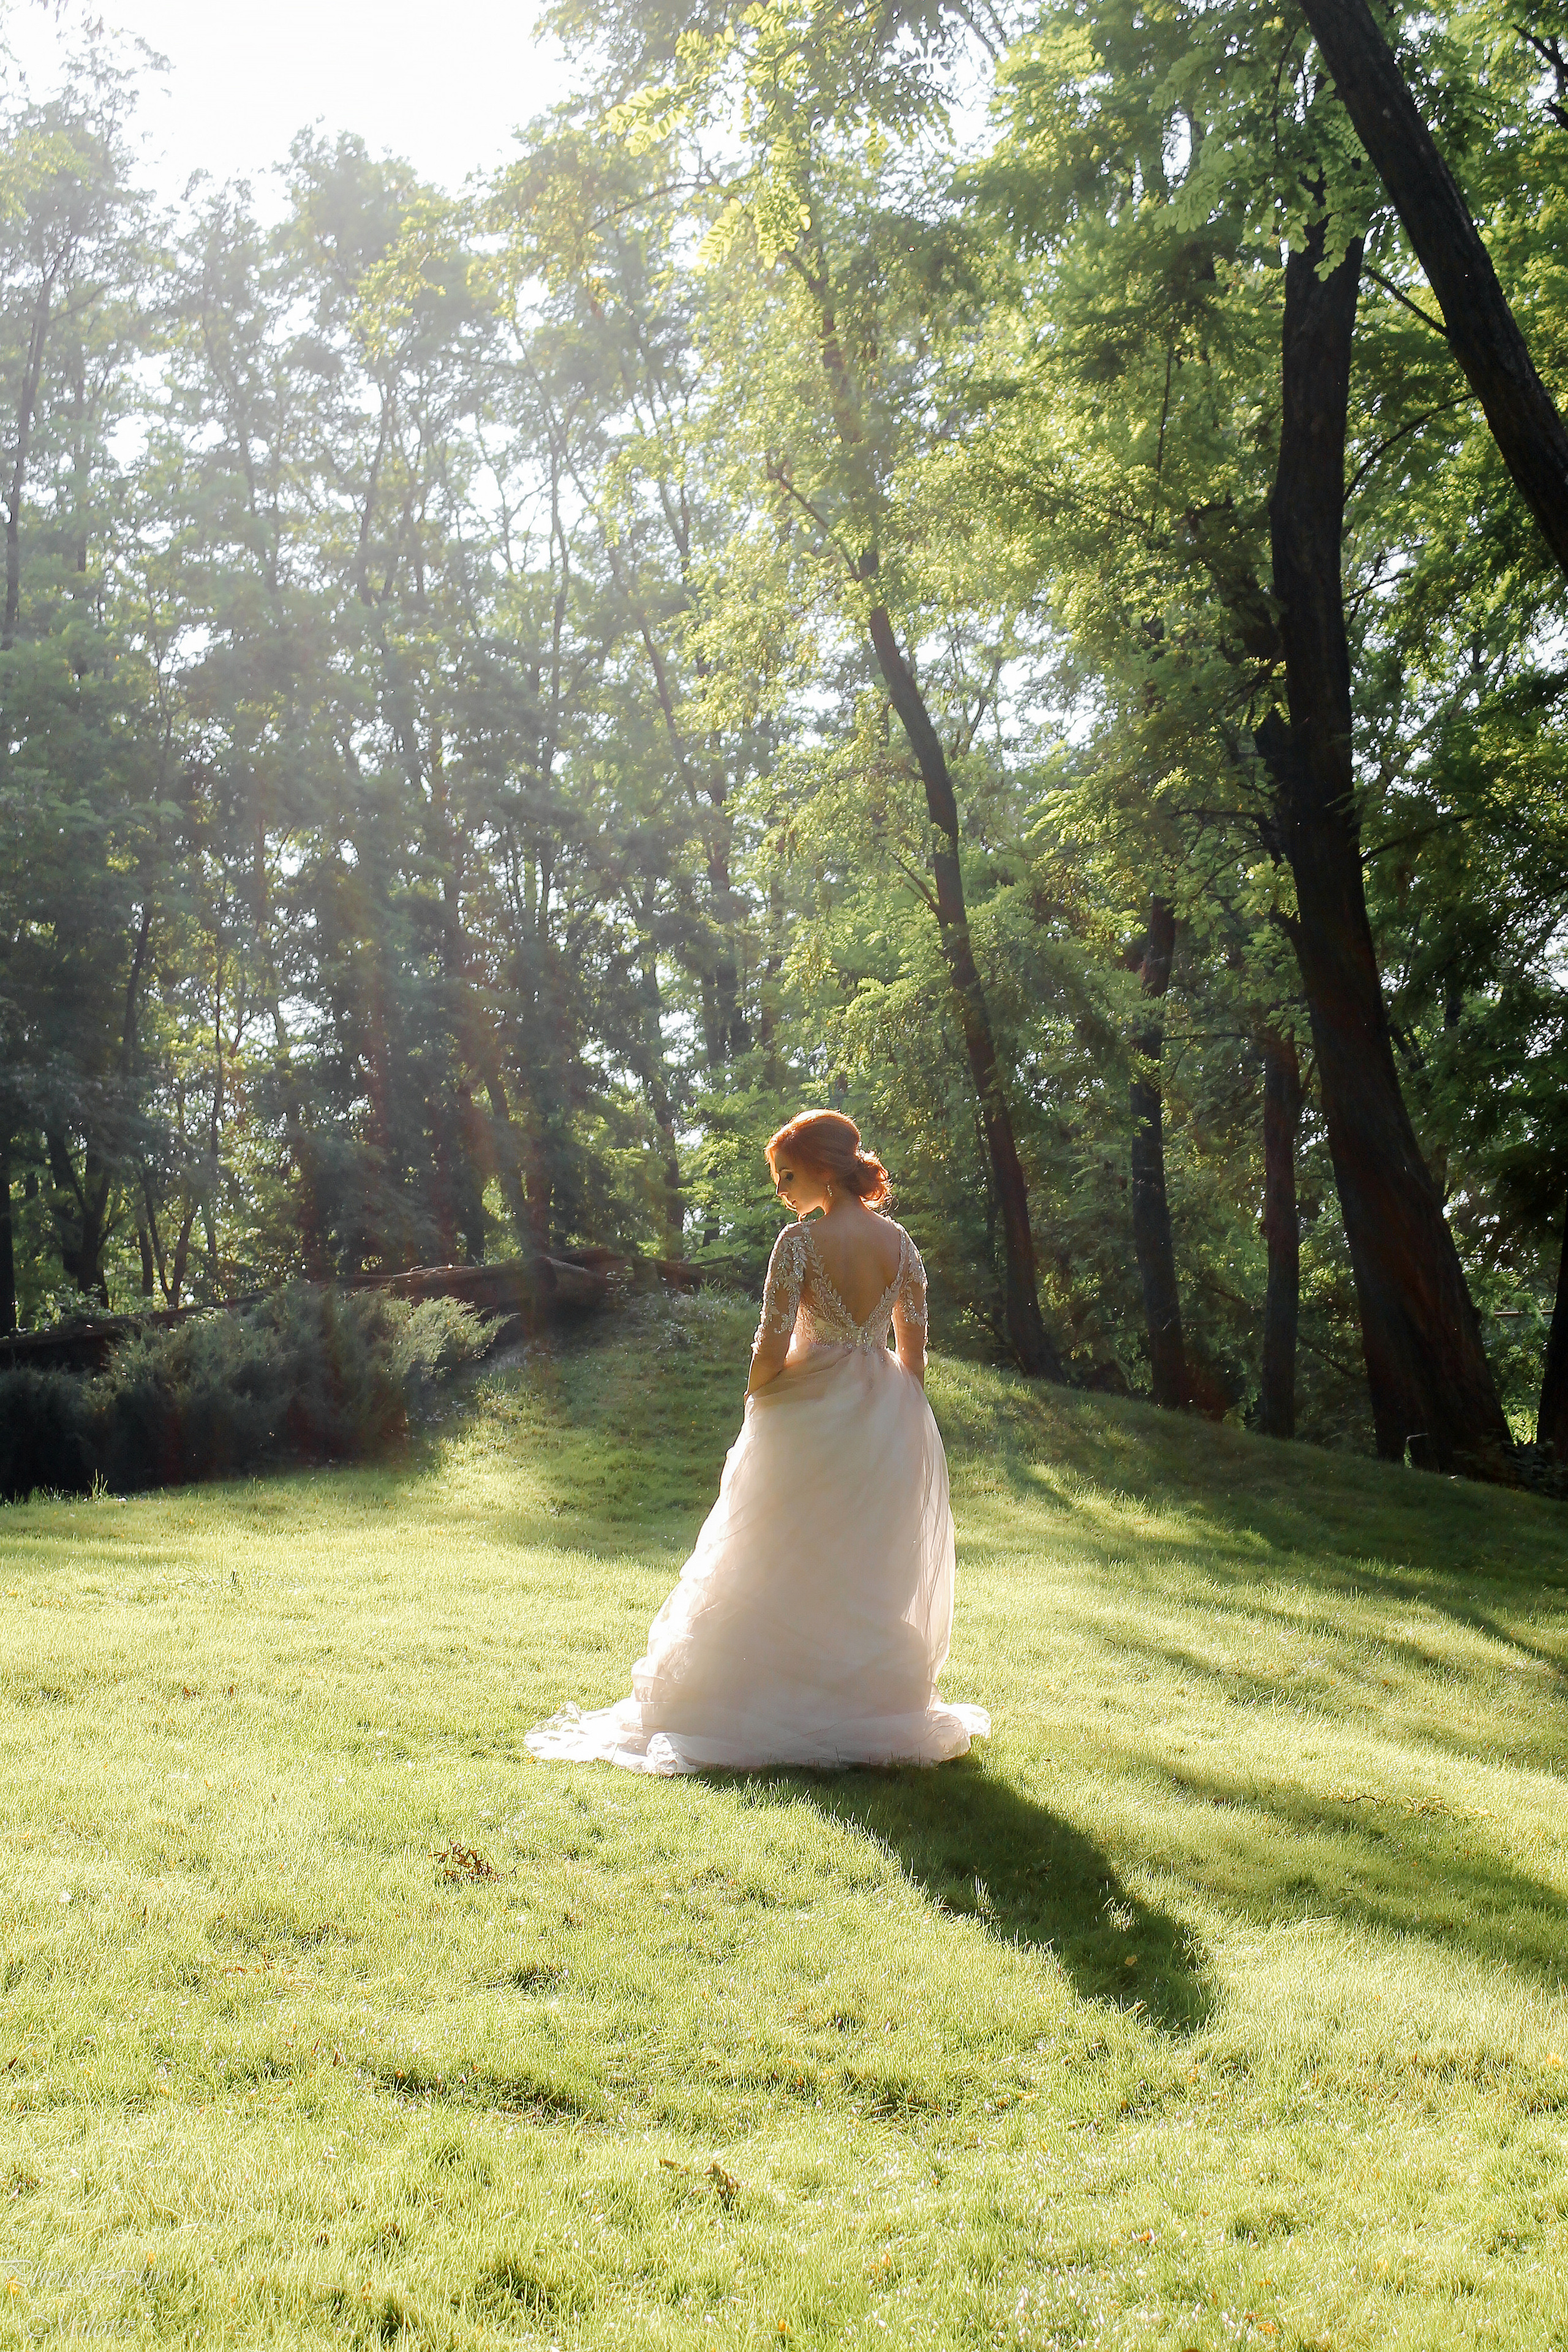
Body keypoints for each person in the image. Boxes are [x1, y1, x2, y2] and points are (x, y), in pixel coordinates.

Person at [526, 1110, 989, 1774]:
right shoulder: (900, 1246)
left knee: (779, 1549)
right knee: (861, 1559)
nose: (781, 1190)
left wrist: (759, 1397)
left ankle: (756, 1700)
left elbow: (771, 1344)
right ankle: (862, 1707)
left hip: (806, 1409)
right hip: (884, 1415)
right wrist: (891, 1412)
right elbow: (913, 1359)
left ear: (821, 1170)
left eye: (787, 1175)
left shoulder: (799, 1244)